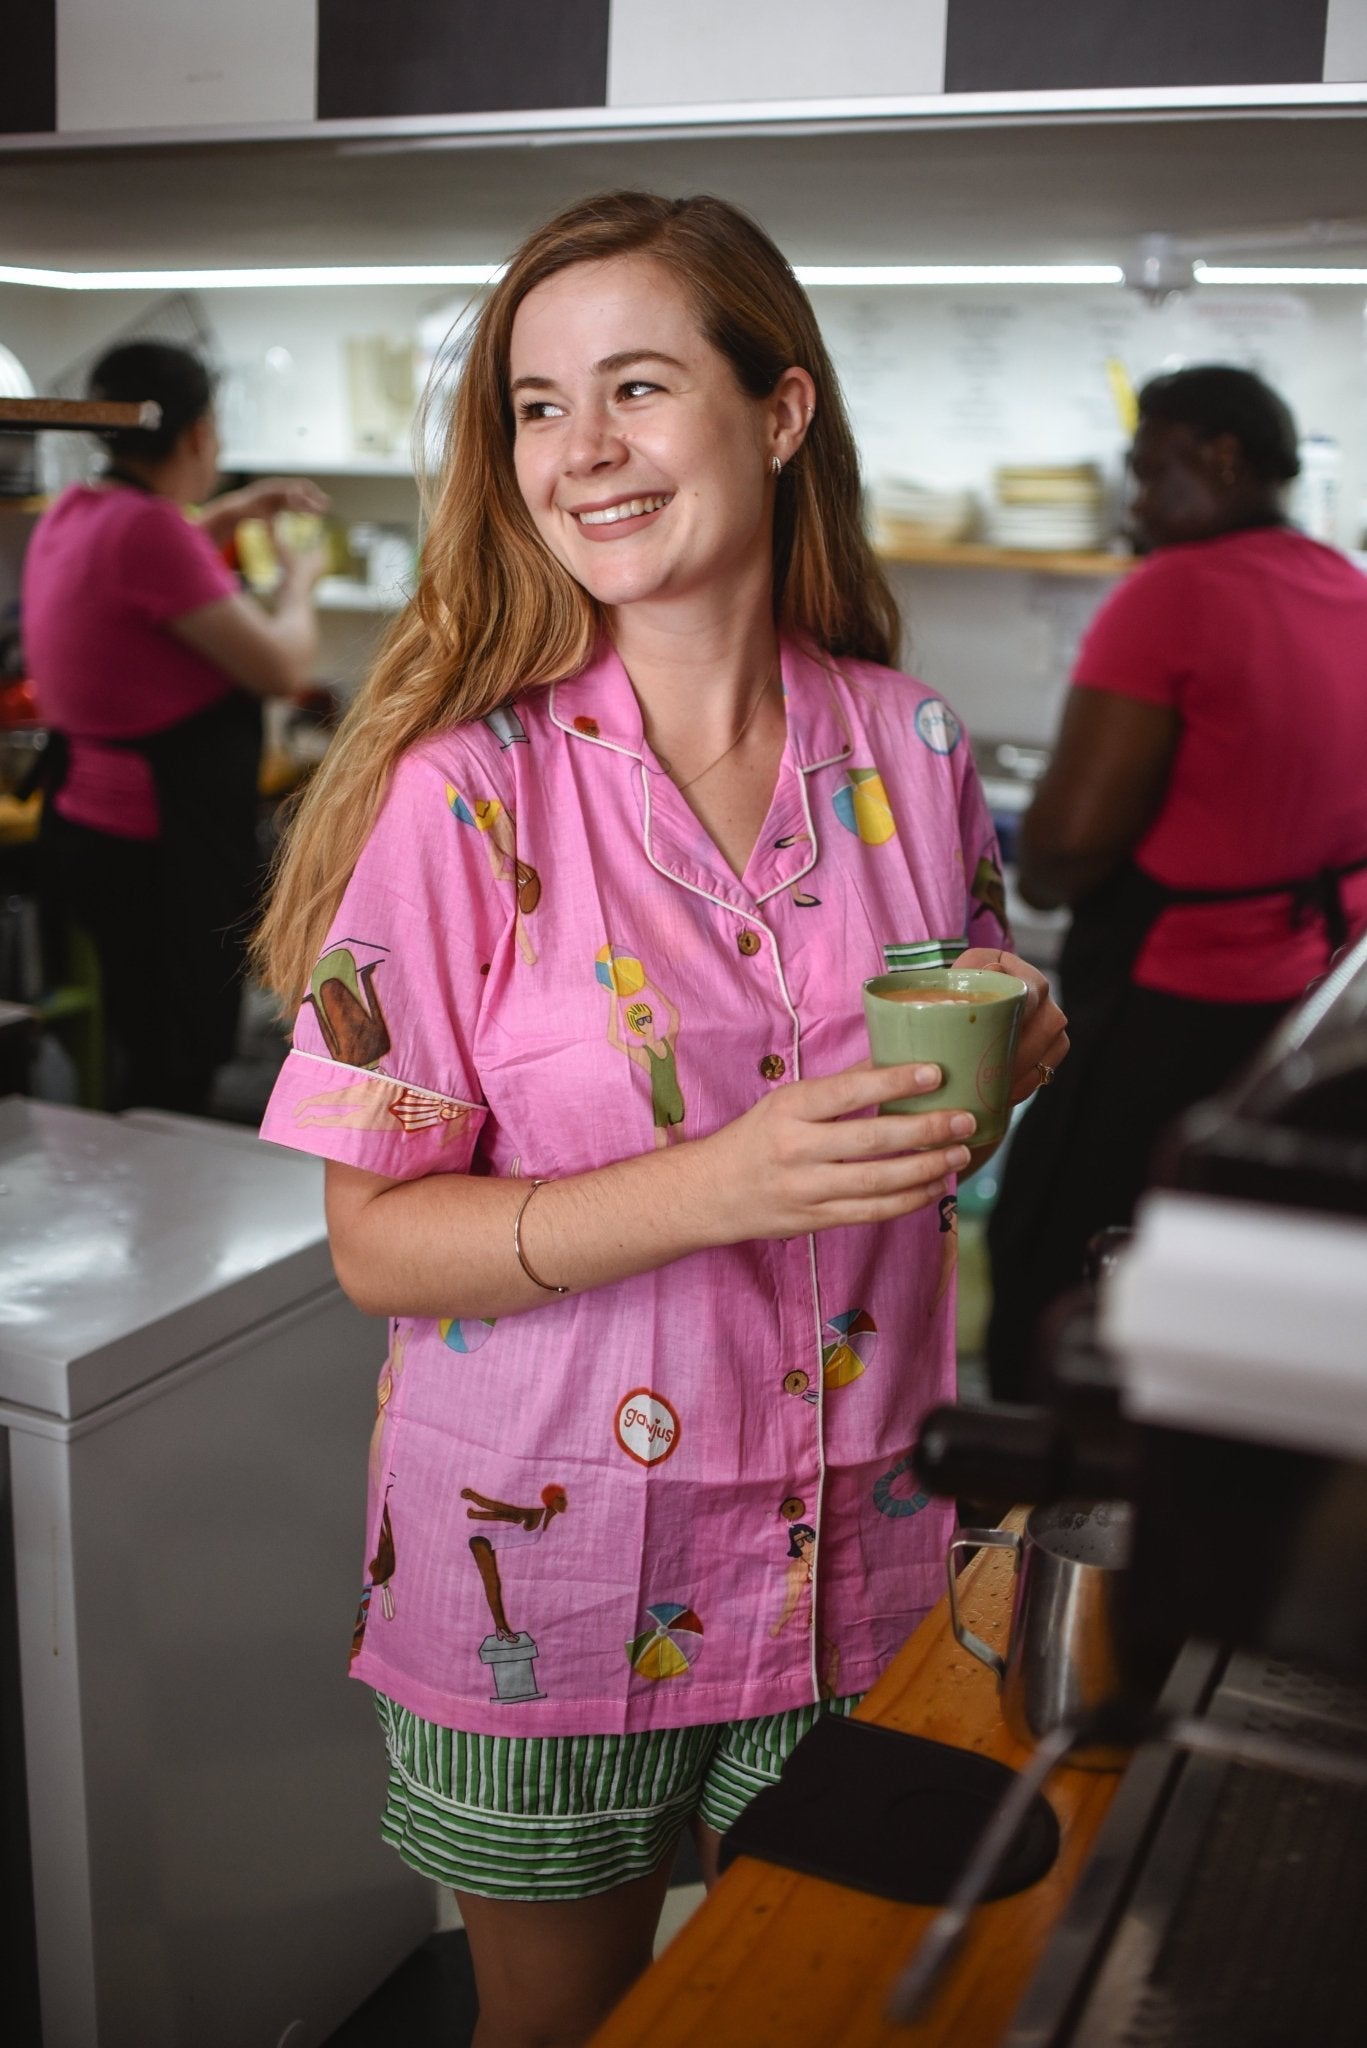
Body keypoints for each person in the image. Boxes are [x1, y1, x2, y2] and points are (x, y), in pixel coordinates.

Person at [253, 190, 1067, 2048]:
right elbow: (376, 1243)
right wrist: (717, 1182)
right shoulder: (468, 797)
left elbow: (939, 1096)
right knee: (563, 2028)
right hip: (542, 1566)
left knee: (821, 2004)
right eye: (537, 406)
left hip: (861, 1543)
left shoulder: (912, 749)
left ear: (777, 413)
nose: (580, 452)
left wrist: (1011, 1060)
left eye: (635, 385)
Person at [986, 364, 1367, 1403]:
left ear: (1223, 459)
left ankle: (1033, 1511)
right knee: (1232, 1269)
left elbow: (1062, 851)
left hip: (1167, 1009)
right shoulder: (1346, 582)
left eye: (1150, 474)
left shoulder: (1168, 593)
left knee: (1054, 1261)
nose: (1135, 507)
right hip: (1305, 1006)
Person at [23, 339, 329, 1112]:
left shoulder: (80, 510)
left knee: (138, 1025)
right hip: (160, 842)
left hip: (92, 826)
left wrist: (235, 509)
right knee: (174, 1043)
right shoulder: (148, 533)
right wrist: (299, 586)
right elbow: (280, 670)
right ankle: (167, 1193)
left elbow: (158, 549)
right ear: (199, 435)